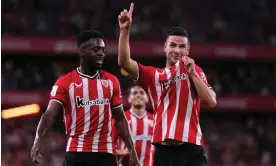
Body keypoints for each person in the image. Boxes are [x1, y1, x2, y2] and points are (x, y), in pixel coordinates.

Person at [117, 3, 217, 166]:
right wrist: (124, 31)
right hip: (163, 153)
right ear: (165, 47)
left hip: (191, 151)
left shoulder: (194, 70)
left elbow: (211, 102)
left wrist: (193, 74)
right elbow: (124, 62)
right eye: (173, 45)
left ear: (188, 50)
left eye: (182, 46)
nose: (177, 50)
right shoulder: (153, 75)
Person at [30, 30, 139, 166]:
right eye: (96, 49)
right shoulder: (65, 82)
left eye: (103, 50)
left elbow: (120, 119)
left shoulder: (112, 81)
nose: (101, 53)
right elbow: (49, 114)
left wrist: (132, 150)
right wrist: (39, 138)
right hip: (77, 152)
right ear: (82, 51)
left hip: (105, 153)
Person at [113, 85, 154, 166]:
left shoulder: (155, 120)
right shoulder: (120, 119)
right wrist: (117, 152)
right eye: (134, 93)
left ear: (147, 98)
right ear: (129, 99)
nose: (138, 95)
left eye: (142, 93)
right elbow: (108, 143)